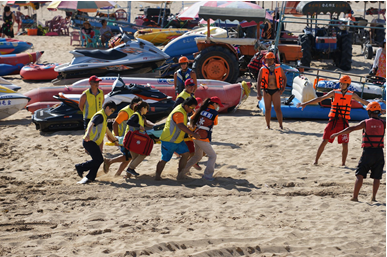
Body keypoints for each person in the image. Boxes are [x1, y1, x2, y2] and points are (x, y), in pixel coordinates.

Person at [297, 75, 370, 166]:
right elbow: (320, 99)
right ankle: (316, 161)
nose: (342, 85)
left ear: (348, 85)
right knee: (324, 140)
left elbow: (363, 102)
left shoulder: (352, 95)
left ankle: (343, 164)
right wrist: (305, 104)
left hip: (344, 122)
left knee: (345, 144)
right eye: (341, 83)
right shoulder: (334, 93)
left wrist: (378, 108)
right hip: (333, 121)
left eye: (344, 84)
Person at [330, 102, 385, 202]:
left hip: (367, 152)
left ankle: (355, 197)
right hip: (379, 153)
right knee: (377, 177)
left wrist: (337, 133)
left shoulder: (365, 122)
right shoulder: (383, 123)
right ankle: (373, 198)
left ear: (369, 111)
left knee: (360, 175)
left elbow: (351, 128)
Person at [155, 97, 201, 181]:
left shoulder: (183, 109)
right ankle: (157, 177)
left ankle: (180, 174)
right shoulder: (179, 112)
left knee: (186, 154)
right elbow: (180, 125)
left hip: (178, 140)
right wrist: (193, 134)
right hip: (169, 140)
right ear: (186, 105)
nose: (192, 110)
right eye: (191, 108)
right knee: (164, 160)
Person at [179, 97, 223, 181]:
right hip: (203, 137)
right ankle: (208, 176)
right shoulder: (214, 113)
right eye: (217, 105)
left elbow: (191, 119)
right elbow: (215, 123)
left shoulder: (201, 109)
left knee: (197, 156)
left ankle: (183, 171)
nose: (218, 107)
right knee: (212, 156)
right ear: (214, 104)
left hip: (195, 135)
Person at [75, 101, 119, 184]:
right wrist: (87, 134)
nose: (111, 112)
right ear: (107, 108)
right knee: (98, 160)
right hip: (89, 141)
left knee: (98, 160)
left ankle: (90, 177)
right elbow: (91, 123)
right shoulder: (100, 115)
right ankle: (80, 167)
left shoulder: (104, 116)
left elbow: (106, 130)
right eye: (111, 110)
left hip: (93, 142)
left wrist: (114, 140)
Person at [103, 96, 142, 176]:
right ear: (134, 104)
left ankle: (118, 174)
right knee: (129, 156)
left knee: (128, 157)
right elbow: (115, 124)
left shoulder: (135, 111)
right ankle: (109, 161)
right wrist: (117, 138)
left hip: (129, 138)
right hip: (122, 138)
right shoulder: (125, 112)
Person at [172, 78, 201, 170]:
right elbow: (174, 110)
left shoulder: (190, 94)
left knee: (191, 146)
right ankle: (187, 164)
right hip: (182, 123)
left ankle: (190, 162)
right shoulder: (181, 97)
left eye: (193, 86)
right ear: (186, 86)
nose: (192, 88)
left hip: (188, 122)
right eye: (190, 86)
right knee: (189, 147)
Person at [257, 52, 287, 129]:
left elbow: (284, 78)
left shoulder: (278, 68)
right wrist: (258, 93)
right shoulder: (262, 69)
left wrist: (283, 88)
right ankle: (268, 125)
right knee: (267, 109)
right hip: (266, 91)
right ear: (265, 60)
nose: (269, 61)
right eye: (268, 59)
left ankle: (280, 125)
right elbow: (259, 81)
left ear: (274, 59)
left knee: (278, 109)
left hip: (276, 91)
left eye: (271, 59)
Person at [125, 101, 155, 176]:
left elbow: (146, 122)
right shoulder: (136, 115)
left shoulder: (141, 116)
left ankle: (128, 175)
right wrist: (139, 126)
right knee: (143, 153)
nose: (147, 110)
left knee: (135, 157)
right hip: (133, 139)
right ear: (142, 108)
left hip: (135, 139)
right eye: (146, 108)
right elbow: (129, 122)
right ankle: (130, 169)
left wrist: (154, 126)